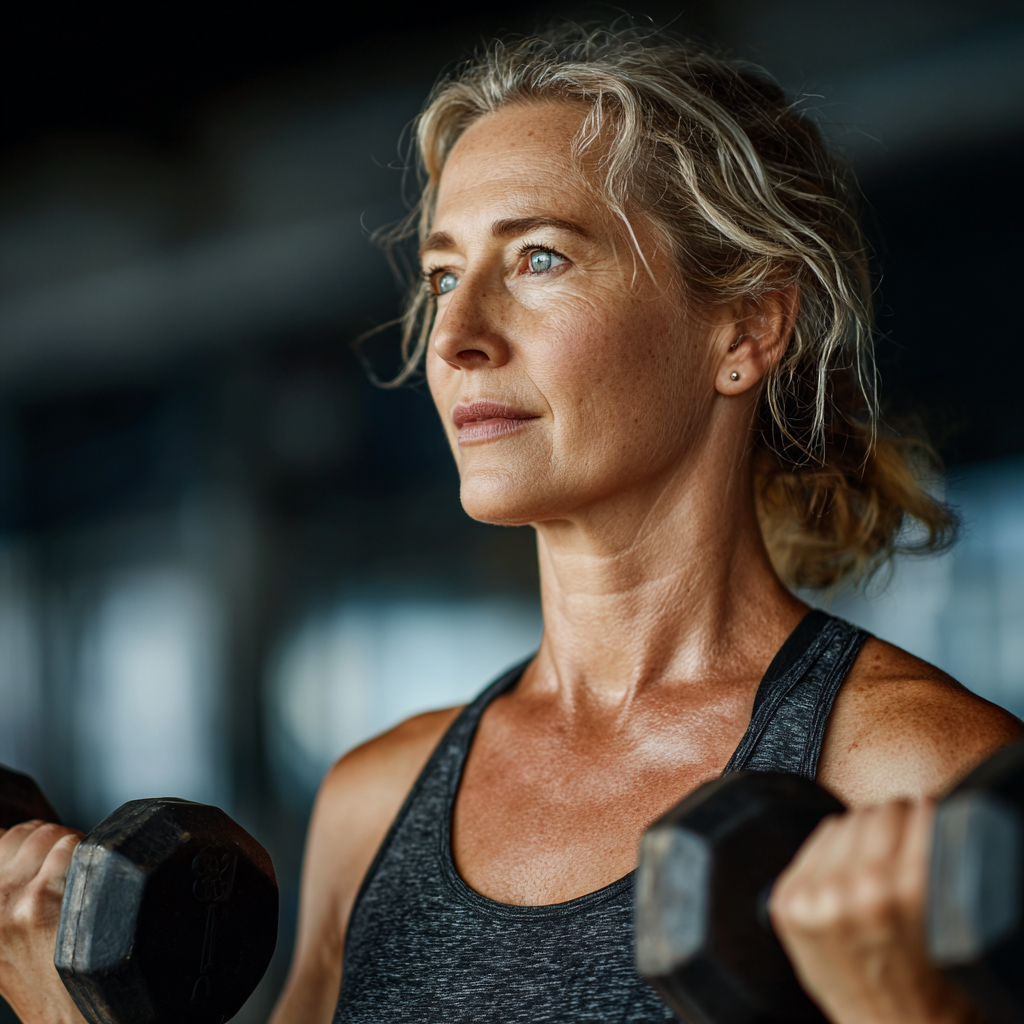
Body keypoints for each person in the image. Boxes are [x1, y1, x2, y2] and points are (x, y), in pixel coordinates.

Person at [0, 24, 1020, 1024]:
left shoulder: (919, 783)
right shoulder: (373, 803)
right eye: (444, 276)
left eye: (538, 259)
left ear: (745, 327)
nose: (455, 336)